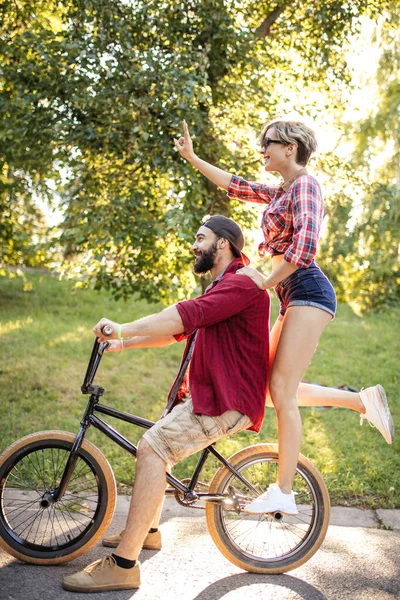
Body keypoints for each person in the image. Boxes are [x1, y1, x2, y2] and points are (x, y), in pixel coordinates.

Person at [174, 119, 394, 516]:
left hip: (308, 289)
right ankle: (360, 401)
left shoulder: (307, 185)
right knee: (264, 387)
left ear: (290, 148)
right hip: (292, 292)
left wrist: (261, 283)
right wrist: (192, 157)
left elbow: (305, 247)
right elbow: (236, 185)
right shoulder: (282, 191)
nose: (262, 150)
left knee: (282, 390)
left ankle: (285, 491)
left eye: (267, 144)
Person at [62, 215, 270, 593]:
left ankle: (124, 565)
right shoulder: (223, 284)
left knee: (154, 448)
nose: (194, 245)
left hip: (226, 400)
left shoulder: (241, 283)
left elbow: (183, 315)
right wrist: (123, 343)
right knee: (157, 444)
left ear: (223, 244)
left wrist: (124, 327)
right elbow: (178, 330)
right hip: (209, 394)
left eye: (200, 237)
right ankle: (149, 531)